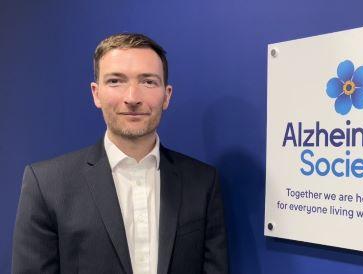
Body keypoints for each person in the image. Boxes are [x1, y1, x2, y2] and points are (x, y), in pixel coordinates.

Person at [12, 33, 229, 274]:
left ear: (166, 95)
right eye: (116, 81)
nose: (133, 98)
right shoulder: (46, 185)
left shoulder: (202, 182)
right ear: (96, 93)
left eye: (148, 82)